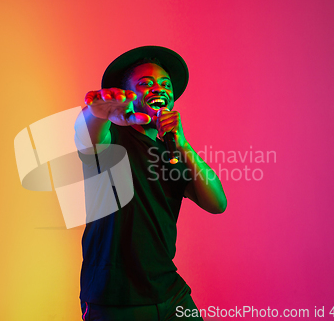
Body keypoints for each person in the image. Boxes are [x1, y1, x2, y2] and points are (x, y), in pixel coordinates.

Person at [74, 46, 227, 320]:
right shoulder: (112, 140)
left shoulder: (174, 151)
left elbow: (217, 203)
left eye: (166, 84)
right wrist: (97, 114)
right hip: (115, 301)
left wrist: (181, 144)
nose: (160, 88)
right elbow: (88, 136)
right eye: (145, 83)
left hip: (170, 293)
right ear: (128, 95)